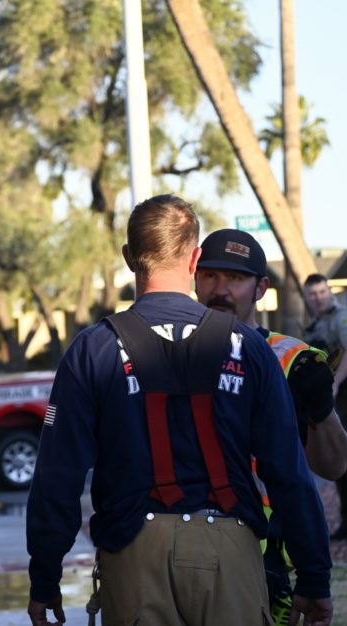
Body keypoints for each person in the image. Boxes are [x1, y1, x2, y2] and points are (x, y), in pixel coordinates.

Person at [26, 195, 332, 626]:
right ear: (194, 259)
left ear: (129, 258)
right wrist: (314, 575)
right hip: (231, 548)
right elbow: (288, 471)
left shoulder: (93, 349)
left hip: (134, 553)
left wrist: (45, 576)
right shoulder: (250, 348)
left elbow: (58, 474)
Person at [194, 228, 347, 621]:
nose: (220, 289)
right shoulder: (170, 351)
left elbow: (333, 466)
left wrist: (321, 409)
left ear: (261, 288)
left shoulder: (291, 359)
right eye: (209, 275)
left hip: (264, 553)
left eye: (235, 278)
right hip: (184, 550)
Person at [301, 273, 347, 540]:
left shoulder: (341, 317)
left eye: (321, 292)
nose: (318, 298)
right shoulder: (315, 324)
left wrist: (335, 385)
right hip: (331, 397)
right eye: (312, 294)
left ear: (329, 291)